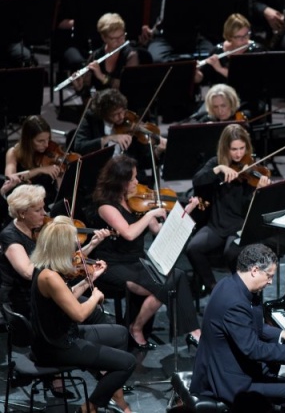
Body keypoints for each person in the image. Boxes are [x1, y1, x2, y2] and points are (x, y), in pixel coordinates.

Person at [0, 185, 112, 399]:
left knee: (95, 313)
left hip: (50, 293)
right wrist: (65, 266)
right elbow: (27, 272)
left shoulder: (40, 230)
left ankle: (100, 365)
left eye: (44, 208)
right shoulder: (10, 237)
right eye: (39, 210)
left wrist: (91, 246)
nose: (45, 214)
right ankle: (89, 365)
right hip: (25, 300)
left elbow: (65, 261)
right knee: (82, 314)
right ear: (23, 213)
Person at [190, 243, 285, 412]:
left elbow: (252, 326)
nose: (270, 282)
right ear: (254, 270)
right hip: (227, 380)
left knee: (275, 360)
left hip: (227, 364)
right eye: (269, 276)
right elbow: (253, 349)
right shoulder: (235, 303)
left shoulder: (230, 284)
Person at [88, 154, 201, 350]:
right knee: (163, 287)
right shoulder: (106, 207)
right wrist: (150, 214)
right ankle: (136, 328)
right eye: (132, 178)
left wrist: (186, 212)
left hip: (137, 260)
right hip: (114, 264)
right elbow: (129, 233)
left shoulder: (137, 202)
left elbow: (158, 231)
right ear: (120, 181)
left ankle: (192, 331)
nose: (137, 182)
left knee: (178, 276)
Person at [29, 215, 136, 413]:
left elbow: (67, 297)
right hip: (56, 347)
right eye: (72, 243)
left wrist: (90, 280)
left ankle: (115, 395)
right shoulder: (49, 276)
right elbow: (78, 314)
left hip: (63, 336)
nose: (76, 247)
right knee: (128, 363)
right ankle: (89, 407)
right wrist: (95, 296)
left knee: (120, 333)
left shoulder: (45, 267)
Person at [186, 124, 271, 292]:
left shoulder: (252, 168)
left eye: (242, 148)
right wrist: (218, 168)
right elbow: (197, 180)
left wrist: (259, 192)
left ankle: (239, 290)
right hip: (217, 225)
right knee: (193, 248)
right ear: (226, 148)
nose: (239, 154)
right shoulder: (215, 163)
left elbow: (252, 207)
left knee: (231, 254)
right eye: (234, 149)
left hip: (238, 226)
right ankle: (213, 287)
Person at [74, 88, 167, 187]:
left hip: (130, 178)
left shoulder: (130, 122)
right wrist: (109, 138)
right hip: (102, 178)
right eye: (116, 114)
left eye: (123, 111)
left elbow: (145, 162)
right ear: (104, 113)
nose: (122, 116)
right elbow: (79, 146)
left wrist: (158, 151)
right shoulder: (91, 118)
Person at [69, 13, 140, 101]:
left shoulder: (131, 55)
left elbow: (127, 89)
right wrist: (79, 87)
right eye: (114, 38)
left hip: (123, 107)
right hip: (102, 106)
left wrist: (102, 77)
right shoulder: (96, 56)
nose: (120, 41)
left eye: (122, 36)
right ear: (104, 38)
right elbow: (86, 92)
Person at [4, 115, 63, 207]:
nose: (47, 144)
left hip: (49, 202)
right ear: (28, 140)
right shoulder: (13, 152)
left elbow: (59, 189)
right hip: (26, 204)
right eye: (40, 141)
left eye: (48, 139)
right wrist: (40, 170)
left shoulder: (50, 151)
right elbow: (9, 178)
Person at [196, 13, 264, 86]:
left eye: (247, 34)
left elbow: (248, 80)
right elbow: (201, 79)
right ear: (229, 37)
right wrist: (195, 72)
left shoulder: (257, 51)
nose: (244, 40)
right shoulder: (218, 51)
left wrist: (220, 69)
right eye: (238, 37)